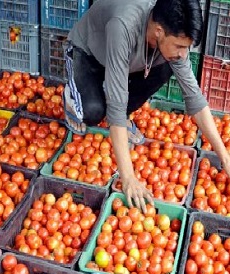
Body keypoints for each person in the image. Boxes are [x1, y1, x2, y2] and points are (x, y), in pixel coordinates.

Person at [63, 0, 230, 210]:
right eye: (180, 46)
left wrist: (224, 157)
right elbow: (115, 106)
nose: (183, 53)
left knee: (168, 67)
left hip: (126, 60)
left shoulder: (169, 36)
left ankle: (114, 102)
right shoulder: (123, 26)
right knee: (93, 112)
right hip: (88, 53)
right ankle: (73, 96)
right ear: (159, 31)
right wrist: (128, 177)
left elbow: (195, 97)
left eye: (186, 47)